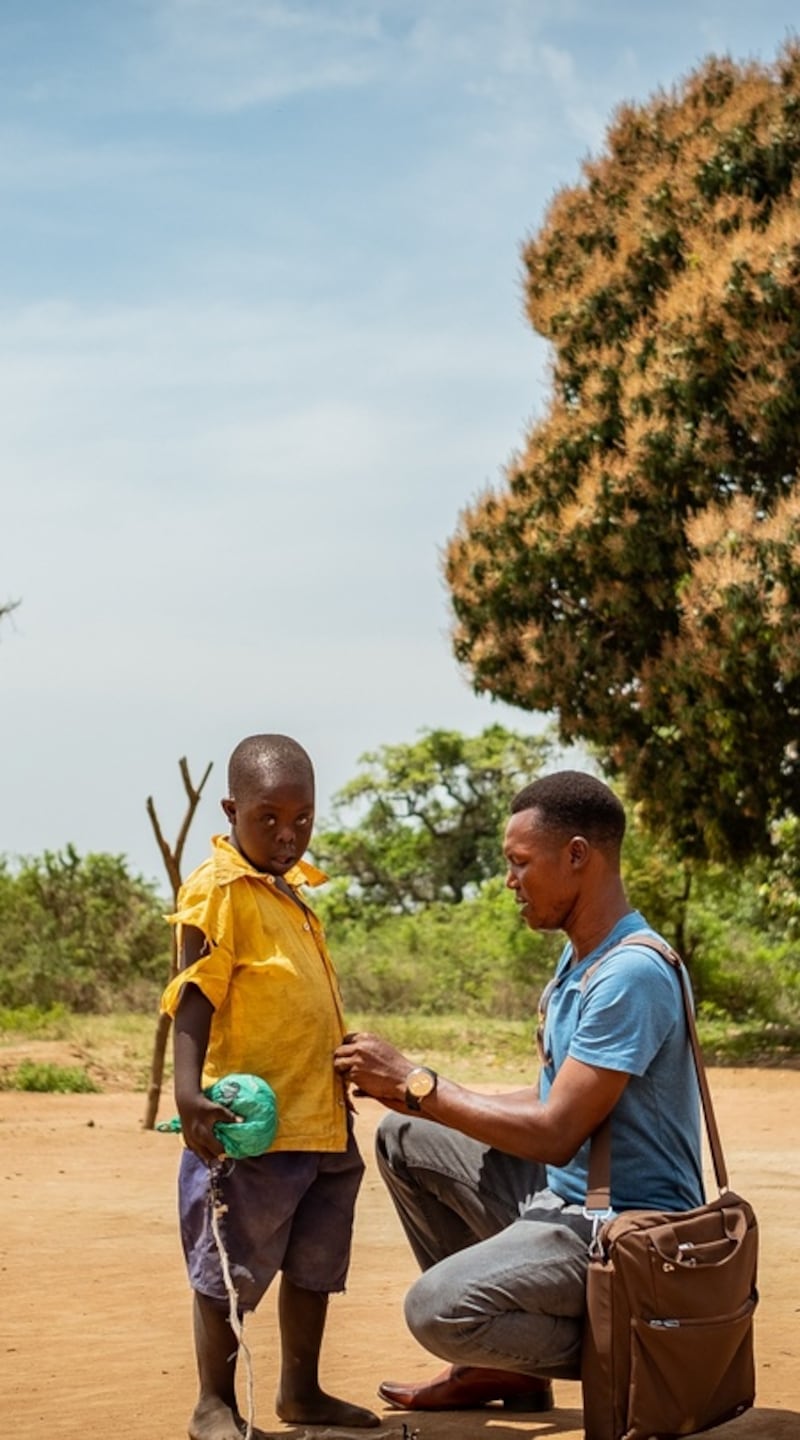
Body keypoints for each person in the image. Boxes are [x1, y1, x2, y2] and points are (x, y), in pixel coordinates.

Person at [334, 769, 703, 1415]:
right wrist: (417, 1098)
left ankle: (640, 1345)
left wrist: (421, 1083)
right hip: (570, 1201)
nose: (510, 882)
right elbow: (549, 1099)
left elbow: (558, 1133)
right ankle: (505, 1372)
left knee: (435, 1309)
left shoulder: (631, 973)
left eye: (519, 863)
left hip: (627, 1230)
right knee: (406, 1135)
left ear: (578, 856)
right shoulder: (581, 960)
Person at [161, 733, 379, 1440]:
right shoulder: (220, 891)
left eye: (303, 819)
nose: (288, 834)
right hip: (252, 1130)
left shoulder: (291, 893)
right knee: (230, 1264)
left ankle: (302, 1390)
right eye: (269, 818)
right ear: (230, 809)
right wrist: (188, 1092)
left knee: (316, 1261)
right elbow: (195, 994)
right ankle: (212, 1404)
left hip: (321, 1120)